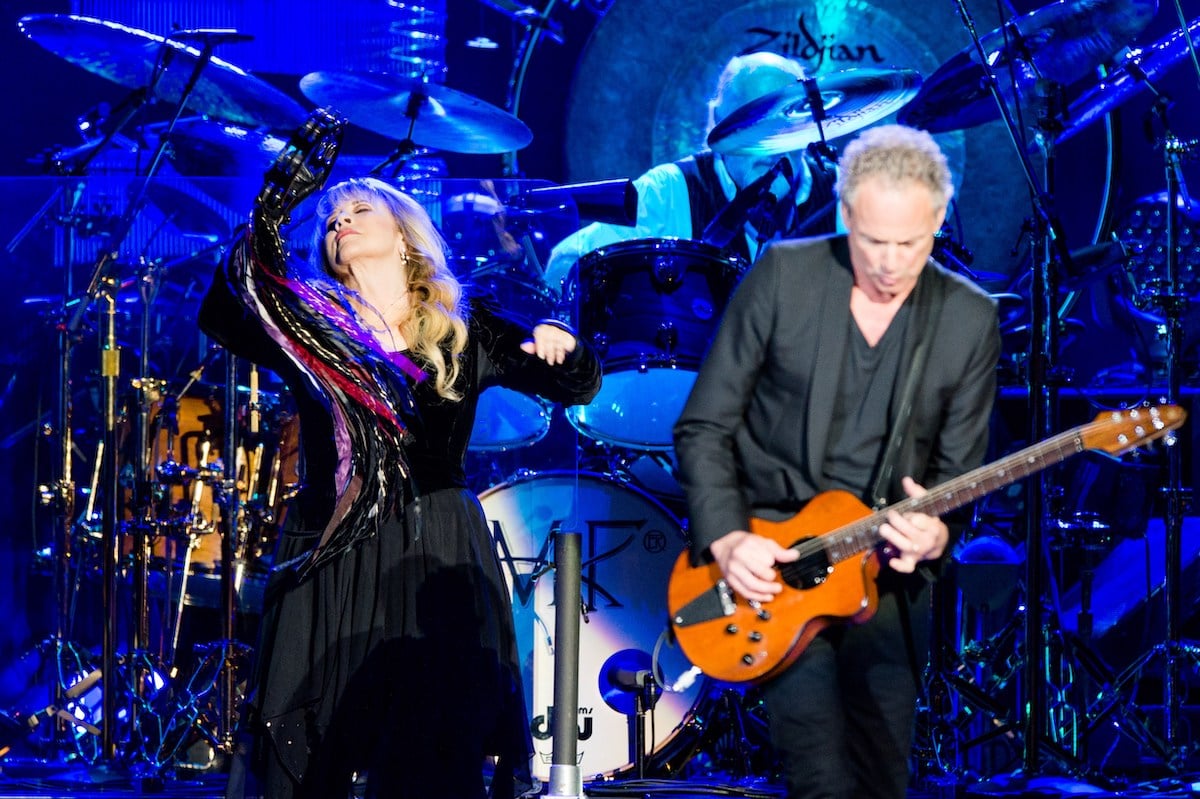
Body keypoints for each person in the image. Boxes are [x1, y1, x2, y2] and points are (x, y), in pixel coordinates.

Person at [199, 169, 601, 799]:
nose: (339, 224)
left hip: (431, 539)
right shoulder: (306, 324)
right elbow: (221, 312)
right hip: (329, 542)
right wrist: (272, 211)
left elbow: (574, 386)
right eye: (330, 222)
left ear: (406, 236)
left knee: (433, 738)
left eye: (357, 211)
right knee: (308, 732)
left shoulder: (465, 327)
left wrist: (566, 347)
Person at [672, 124, 1000, 798]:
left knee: (882, 777)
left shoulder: (968, 318)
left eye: (908, 244)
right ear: (845, 213)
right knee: (819, 775)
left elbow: (958, 475)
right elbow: (704, 425)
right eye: (872, 241)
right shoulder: (783, 276)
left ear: (938, 220)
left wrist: (939, 533)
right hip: (774, 564)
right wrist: (729, 537)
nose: (887, 263)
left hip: (885, 586)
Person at [543, 50, 841, 294]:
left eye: (788, 122)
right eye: (756, 122)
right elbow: (567, 260)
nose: (773, 143)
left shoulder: (841, 194)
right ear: (719, 123)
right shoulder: (672, 191)